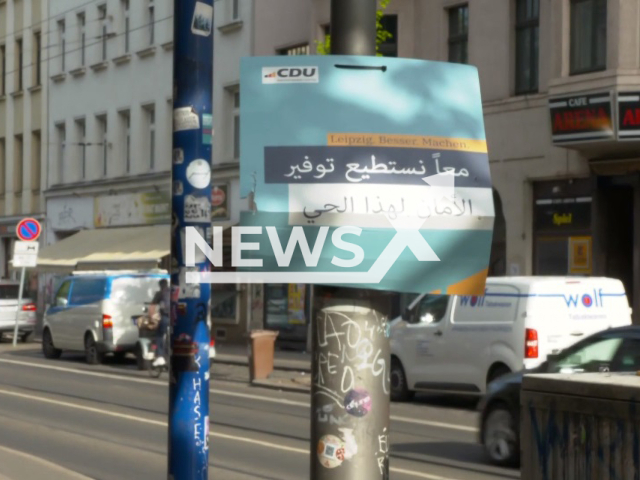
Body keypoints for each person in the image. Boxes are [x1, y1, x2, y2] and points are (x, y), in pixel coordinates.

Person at [151, 279, 170, 367]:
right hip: (176, 318)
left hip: (166, 317)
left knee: (159, 334)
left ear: (160, 286)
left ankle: (160, 357)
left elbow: (152, 307)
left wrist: (151, 318)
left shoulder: (160, 293)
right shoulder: (173, 292)